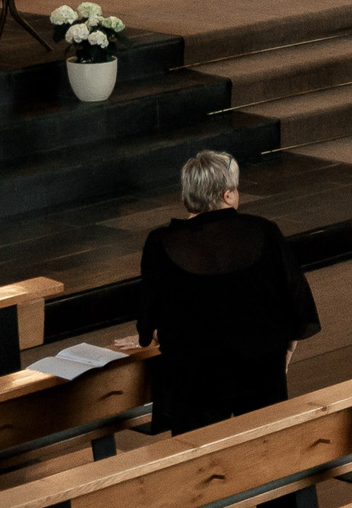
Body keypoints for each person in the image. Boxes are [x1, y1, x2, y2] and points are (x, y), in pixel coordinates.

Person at [137, 150, 320, 434]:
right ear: (227, 195)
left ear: (188, 196)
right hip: (260, 369)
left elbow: (148, 321)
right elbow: (298, 304)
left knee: (201, 462)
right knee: (267, 450)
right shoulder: (265, 232)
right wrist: (285, 350)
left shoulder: (160, 244)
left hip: (195, 379)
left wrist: (159, 332)